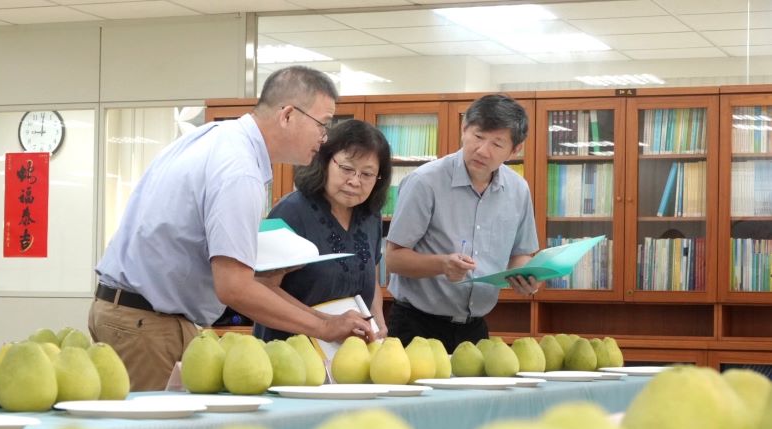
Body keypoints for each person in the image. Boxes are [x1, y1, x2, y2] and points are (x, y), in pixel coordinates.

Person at [89, 66, 374, 391]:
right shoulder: (240, 171)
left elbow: (245, 280)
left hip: (130, 314)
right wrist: (322, 329)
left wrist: (326, 322)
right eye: (322, 125)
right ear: (288, 116)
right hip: (147, 324)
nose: (324, 139)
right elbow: (235, 287)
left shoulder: (215, 137)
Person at [385, 93, 541, 353]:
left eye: (497, 143)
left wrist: (528, 277)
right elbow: (393, 259)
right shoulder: (425, 182)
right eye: (478, 137)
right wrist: (442, 265)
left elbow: (521, 254)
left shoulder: (518, 189)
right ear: (464, 129)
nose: (482, 150)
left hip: (475, 329)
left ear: (515, 150)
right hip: (416, 326)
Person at [254, 119, 392, 342]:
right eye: (347, 169)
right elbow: (263, 288)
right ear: (325, 161)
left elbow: (371, 274)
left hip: (349, 353)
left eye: (367, 175)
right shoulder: (290, 212)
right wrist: (324, 323)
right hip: (291, 348)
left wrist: (378, 319)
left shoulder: (370, 216)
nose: (355, 181)